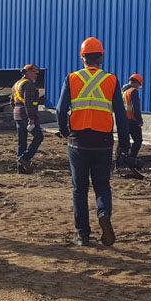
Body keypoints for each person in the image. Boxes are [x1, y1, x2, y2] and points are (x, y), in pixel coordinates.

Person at [56, 37, 129, 247]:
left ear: (82, 58)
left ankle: (82, 235)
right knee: (102, 186)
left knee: (79, 189)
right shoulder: (111, 80)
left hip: (77, 141)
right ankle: (103, 213)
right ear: (101, 57)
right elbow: (121, 115)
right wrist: (124, 144)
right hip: (103, 141)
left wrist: (64, 131)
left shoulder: (71, 78)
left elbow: (61, 109)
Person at [11, 64, 44, 174]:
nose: (36, 75)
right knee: (39, 136)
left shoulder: (16, 84)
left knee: (22, 142)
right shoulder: (28, 85)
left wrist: (18, 112)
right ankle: (25, 158)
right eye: (34, 73)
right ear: (28, 72)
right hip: (26, 116)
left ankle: (20, 168)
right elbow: (29, 103)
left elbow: (12, 102)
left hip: (18, 115)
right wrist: (31, 118)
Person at [122, 74, 144, 158]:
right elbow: (136, 108)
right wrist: (139, 120)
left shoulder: (123, 91)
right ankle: (131, 158)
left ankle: (120, 160)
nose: (138, 87)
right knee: (138, 140)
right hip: (132, 120)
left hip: (124, 120)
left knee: (123, 141)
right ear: (136, 83)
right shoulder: (133, 91)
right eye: (138, 85)